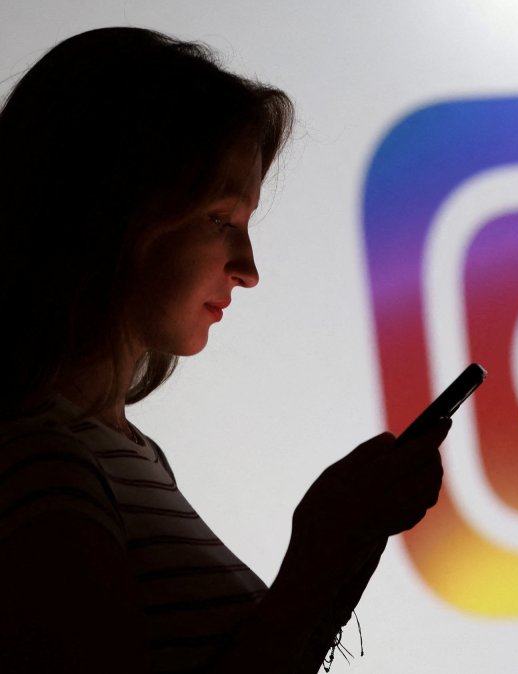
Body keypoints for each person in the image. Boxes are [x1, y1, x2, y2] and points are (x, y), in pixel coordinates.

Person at [0, 27, 450, 673]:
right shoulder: (40, 460)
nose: (248, 269)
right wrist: (322, 553)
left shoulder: (125, 455)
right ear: (108, 211)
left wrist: (344, 545)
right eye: (220, 220)